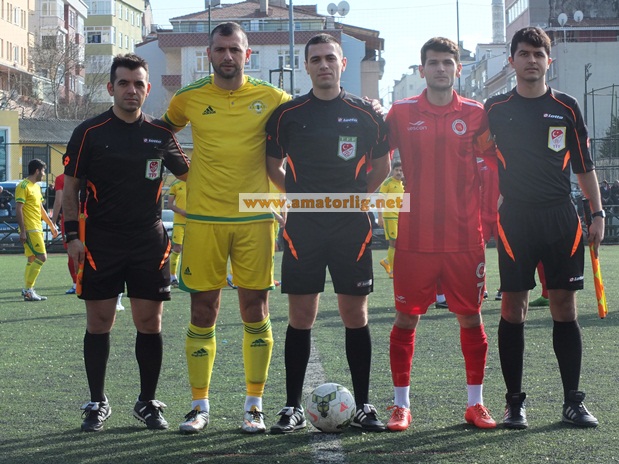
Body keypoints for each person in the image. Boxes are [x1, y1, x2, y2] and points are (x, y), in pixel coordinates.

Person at [162, 22, 291, 434]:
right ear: (210, 54)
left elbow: (310, 117)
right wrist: (186, 172)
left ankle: (254, 405)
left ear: (247, 54)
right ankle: (199, 406)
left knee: (255, 309)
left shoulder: (274, 98)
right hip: (204, 219)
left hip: (255, 217)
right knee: (203, 311)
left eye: (235, 49)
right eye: (220, 49)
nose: (228, 56)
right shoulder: (188, 97)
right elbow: (160, 135)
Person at [266, 33, 391, 434]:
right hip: (303, 226)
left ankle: (364, 405)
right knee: (301, 316)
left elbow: (383, 167)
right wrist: (299, 200)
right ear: (306, 66)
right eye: (316, 59)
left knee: (355, 314)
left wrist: (355, 200)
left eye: (330, 58)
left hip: (350, 226)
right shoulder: (287, 114)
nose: (324, 65)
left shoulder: (366, 113)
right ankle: (291, 407)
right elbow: (273, 166)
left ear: (342, 64)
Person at [62, 53, 190, 432]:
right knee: (99, 322)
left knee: (150, 322)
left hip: (149, 240)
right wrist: (72, 236)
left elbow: (194, 176)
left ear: (147, 89)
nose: (131, 90)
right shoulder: (89, 132)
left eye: (138, 84)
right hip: (100, 240)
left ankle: (147, 402)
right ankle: (96, 401)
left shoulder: (161, 134)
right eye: (124, 83)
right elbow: (70, 187)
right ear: (111, 88)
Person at [485, 27, 604, 429]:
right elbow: (473, 152)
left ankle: (573, 402)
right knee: (512, 307)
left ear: (548, 61)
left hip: (560, 218)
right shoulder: (494, 107)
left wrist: (597, 213)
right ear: (512, 61)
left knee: (564, 307)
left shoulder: (567, 106)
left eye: (538, 54)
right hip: (515, 219)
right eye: (524, 53)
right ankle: (514, 404)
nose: (531, 60)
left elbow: (584, 165)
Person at [385, 37, 497, 432]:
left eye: (447, 62)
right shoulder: (400, 113)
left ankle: (475, 403)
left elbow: (491, 165)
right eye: (433, 63)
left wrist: (487, 220)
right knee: (405, 319)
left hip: (465, 238)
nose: (440, 69)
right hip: (414, 239)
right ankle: (401, 406)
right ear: (422, 70)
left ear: (458, 69)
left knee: (471, 317)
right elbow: (377, 157)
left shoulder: (476, 113)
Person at [15, 158, 52, 301]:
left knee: (32, 258)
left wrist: (51, 225)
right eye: (43, 171)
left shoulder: (36, 187)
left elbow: (41, 209)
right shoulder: (23, 186)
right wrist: (23, 230)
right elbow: (19, 209)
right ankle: (28, 290)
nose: (44, 174)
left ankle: (28, 290)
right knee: (42, 257)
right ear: (37, 171)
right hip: (30, 229)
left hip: (37, 227)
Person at [51, 173, 78, 294]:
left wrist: (52, 222)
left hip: (69, 218)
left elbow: (59, 201)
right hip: (88, 217)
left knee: (72, 252)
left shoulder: (61, 178)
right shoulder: (88, 175)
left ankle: (76, 283)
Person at [377, 161, 404, 279]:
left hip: (401, 217)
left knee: (400, 243)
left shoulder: (403, 184)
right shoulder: (387, 183)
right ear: (393, 170)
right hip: (390, 216)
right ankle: (392, 271)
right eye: (397, 170)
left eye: (401, 170)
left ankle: (387, 261)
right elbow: (379, 200)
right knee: (393, 244)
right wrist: (380, 217)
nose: (399, 172)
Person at [166, 179, 187, 287]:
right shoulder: (176, 185)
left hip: (193, 223)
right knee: (177, 248)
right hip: (179, 223)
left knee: (190, 251)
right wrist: (181, 211)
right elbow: (170, 205)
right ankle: (172, 276)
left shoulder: (197, 182)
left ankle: (188, 276)